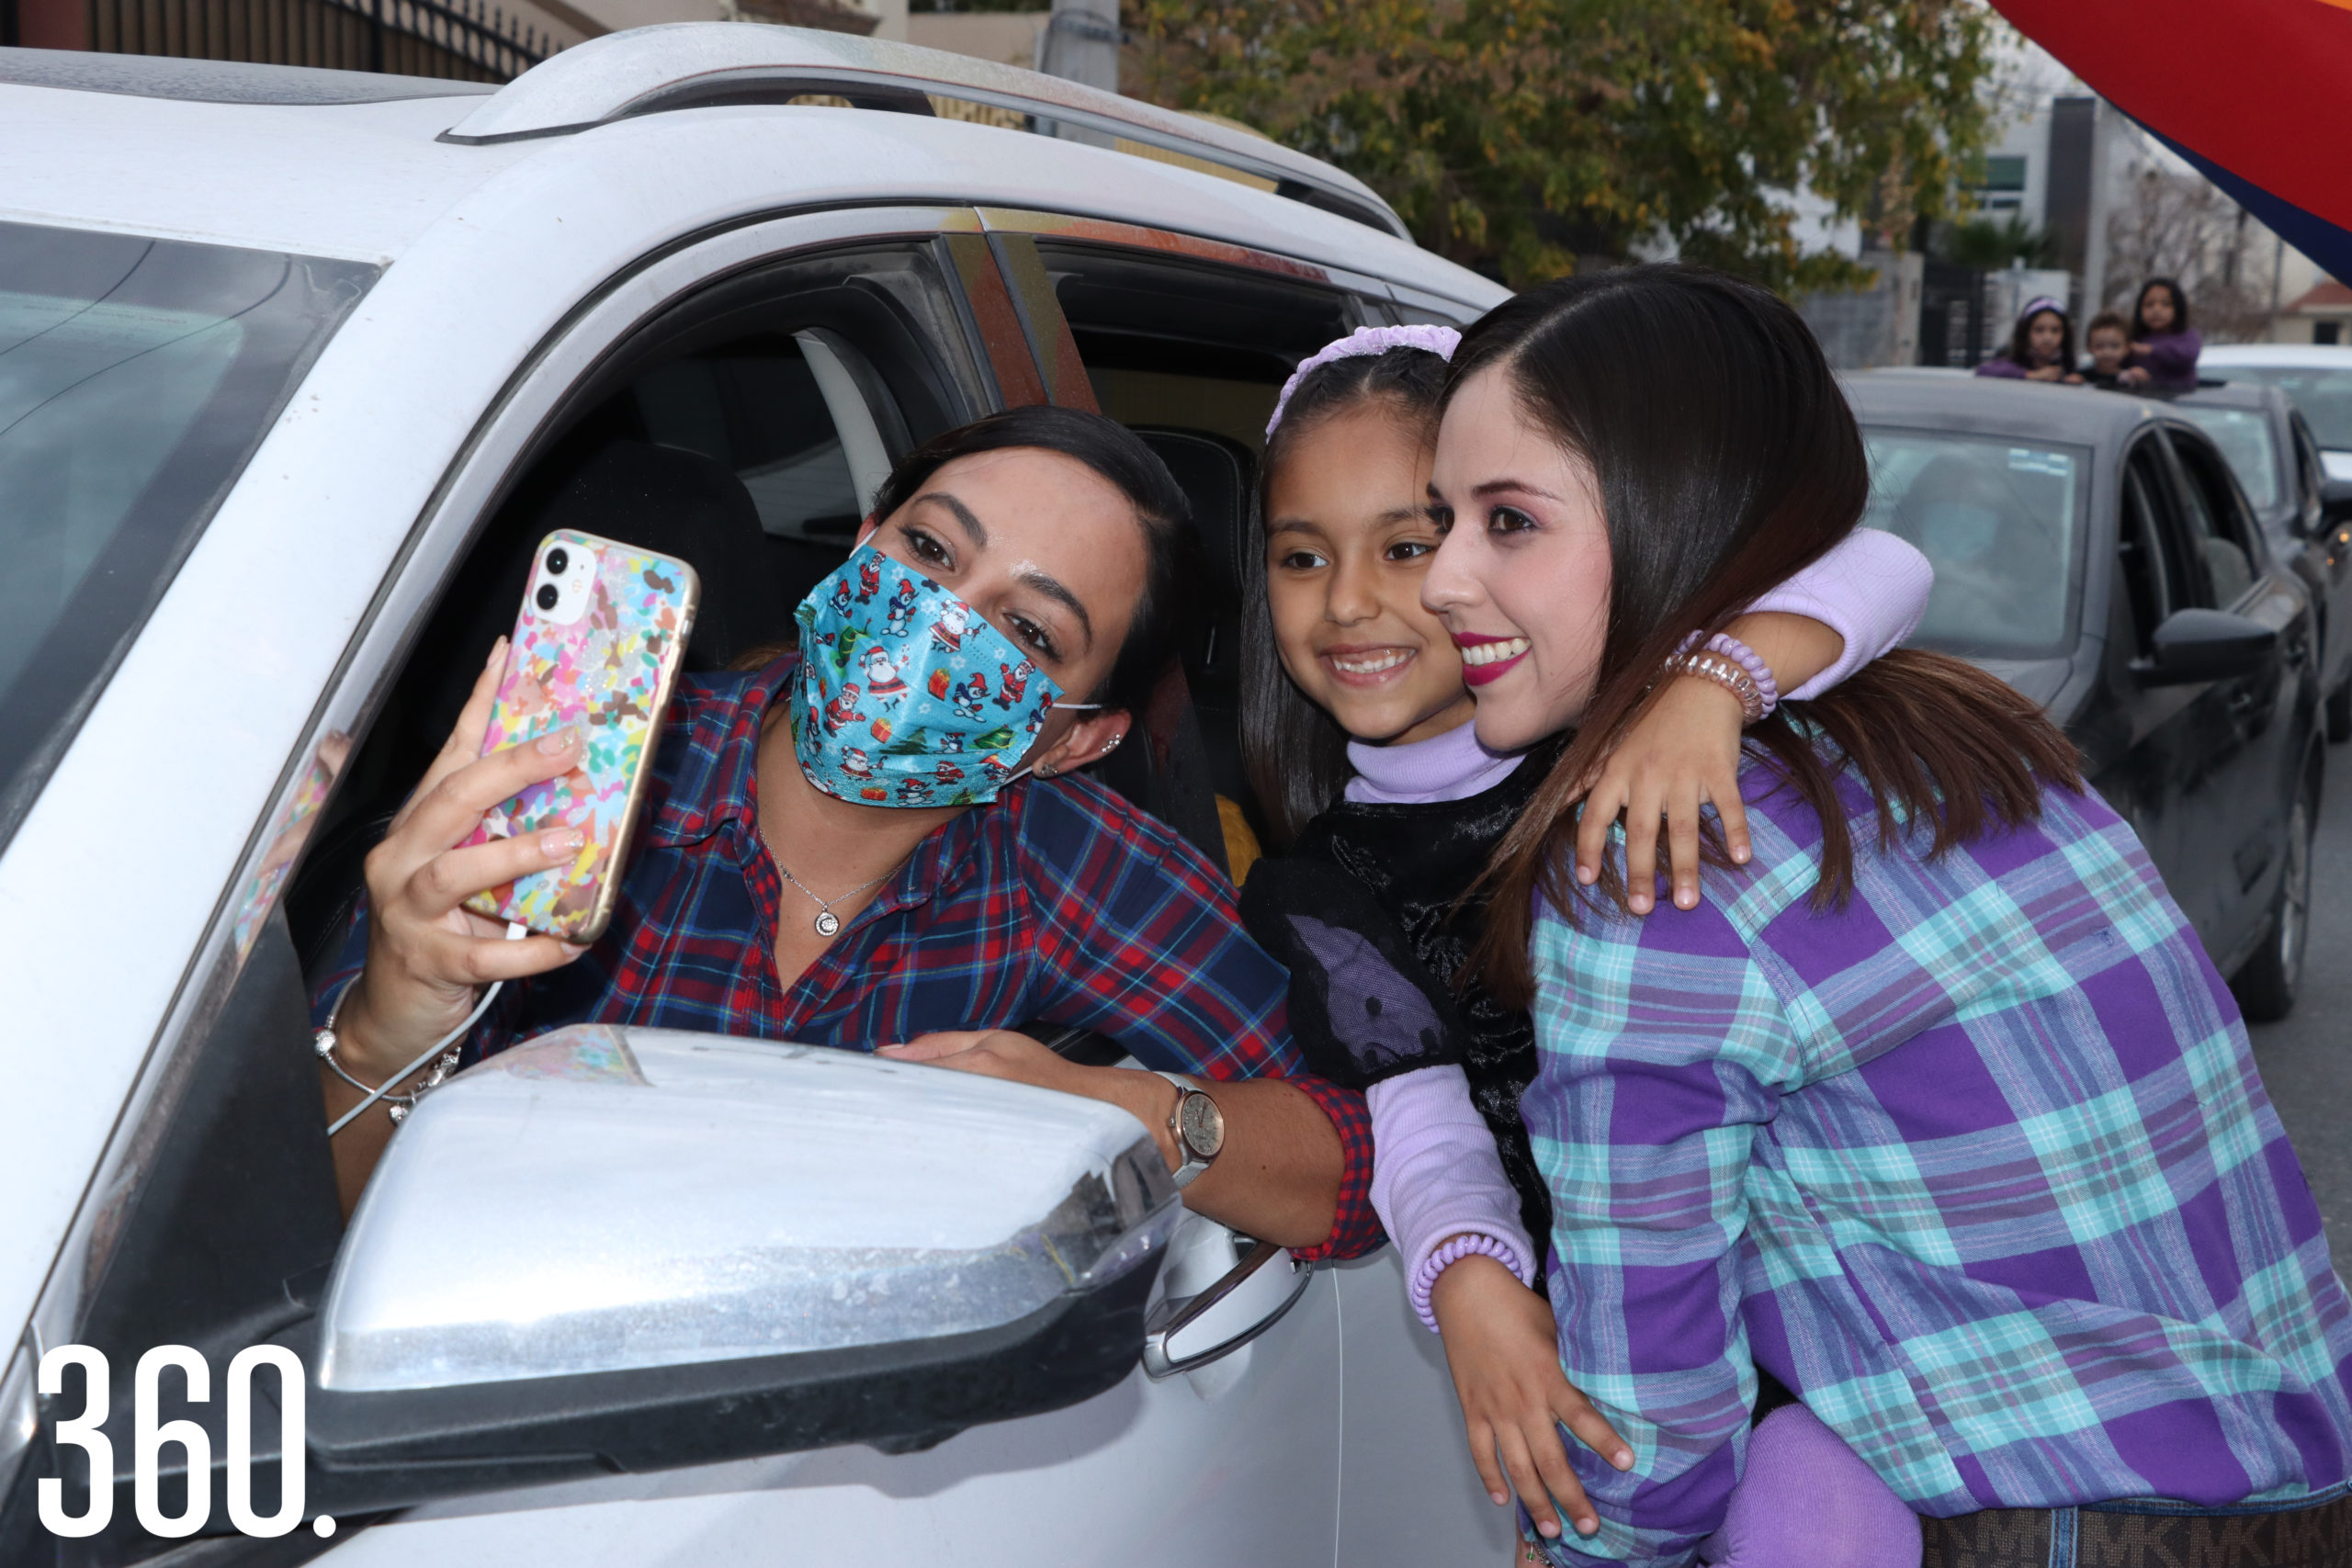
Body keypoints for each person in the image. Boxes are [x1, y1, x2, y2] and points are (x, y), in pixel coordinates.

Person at [1420, 264, 2352, 1564]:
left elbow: (1652, 1439)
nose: (1442, 579)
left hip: (2066, 1520)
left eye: (1508, 520)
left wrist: (1572, 1542)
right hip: (2293, 1468)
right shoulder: (1965, 737)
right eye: (1442, 519)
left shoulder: (1661, 878)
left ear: (1682, 509)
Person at [311, 405, 1377, 1261]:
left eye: (1025, 630)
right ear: (859, 548)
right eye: (927, 549)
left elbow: (1366, 1159)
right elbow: (298, 1243)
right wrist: (388, 1028)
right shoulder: (573, 779)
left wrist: (1130, 1112)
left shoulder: (1063, 860)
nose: (935, 623)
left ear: (1073, 741)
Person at [1230, 324, 1933, 1554]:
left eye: (1407, 543)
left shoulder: (1639, 727)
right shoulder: (1318, 883)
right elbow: (1421, 1117)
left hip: (1818, 1324)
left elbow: (1882, 563)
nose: (1350, 600)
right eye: (1301, 556)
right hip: (1611, 1351)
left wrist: (1716, 686)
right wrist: (1469, 1280)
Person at [2120, 276, 2201, 392]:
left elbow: (2186, 356)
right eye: (2149, 305)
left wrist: (2150, 350)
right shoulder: (2133, 338)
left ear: (2178, 308)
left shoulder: (2187, 337)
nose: (2156, 310)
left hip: (2177, 405)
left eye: (2166, 304)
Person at [1973, 297, 2080, 382]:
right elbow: (1983, 371)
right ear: (2025, 332)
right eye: (2039, 330)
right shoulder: (2012, 363)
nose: (2047, 338)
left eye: (2055, 330)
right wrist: (2030, 375)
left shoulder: (2070, 369)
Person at [2081, 309, 2132, 388]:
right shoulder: (2081, 377)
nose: (2107, 352)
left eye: (2115, 346)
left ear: (2127, 348)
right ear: (2089, 348)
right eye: (2100, 346)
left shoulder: (2130, 379)